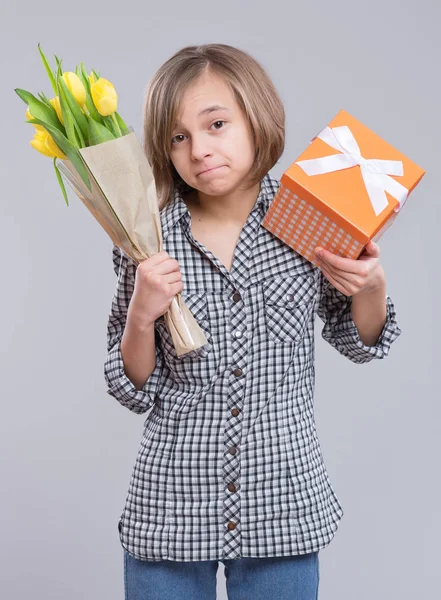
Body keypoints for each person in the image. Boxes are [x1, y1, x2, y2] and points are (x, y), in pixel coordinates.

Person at [104, 43, 401, 600]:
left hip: (283, 502)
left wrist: (373, 285)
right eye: (178, 136)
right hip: (170, 505)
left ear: (256, 117)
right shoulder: (145, 239)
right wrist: (141, 317)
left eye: (216, 123)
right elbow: (131, 387)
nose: (199, 150)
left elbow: (359, 342)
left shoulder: (313, 216)